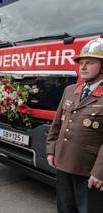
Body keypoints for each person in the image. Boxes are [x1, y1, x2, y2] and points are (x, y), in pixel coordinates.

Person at [46, 38, 103, 213]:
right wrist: (51, 150)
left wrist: (100, 172)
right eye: (81, 63)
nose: (83, 66)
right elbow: (57, 124)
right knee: (64, 209)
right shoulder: (70, 90)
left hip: (88, 170)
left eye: (90, 62)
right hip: (63, 163)